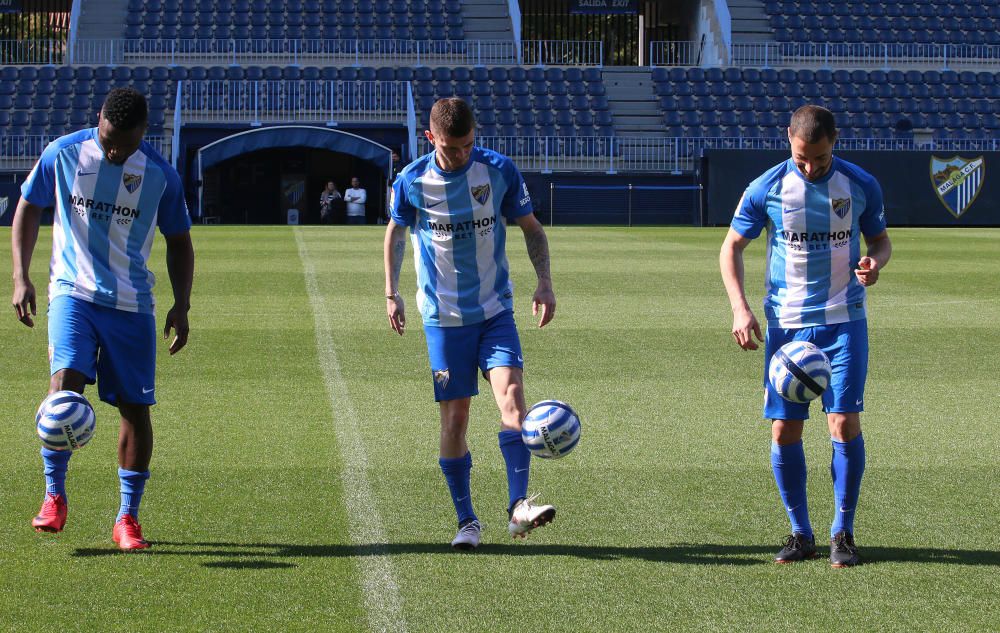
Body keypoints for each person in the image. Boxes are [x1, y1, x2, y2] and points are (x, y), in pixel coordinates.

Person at [11, 87, 195, 551]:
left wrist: (182, 303)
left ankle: (127, 519)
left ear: (142, 134)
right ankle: (54, 497)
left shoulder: (161, 176)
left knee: (135, 408)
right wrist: (21, 276)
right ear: (100, 120)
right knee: (64, 386)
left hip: (132, 304)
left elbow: (179, 240)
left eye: (124, 144)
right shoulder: (64, 153)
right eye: (109, 139)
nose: (114, 151)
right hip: (72, 292)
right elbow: (29, 206)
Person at [719, 105, 892, 568]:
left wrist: (875, 263)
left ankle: (843, 532)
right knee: (784, 427)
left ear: (835, 140)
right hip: (787, 328)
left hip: (843, 320)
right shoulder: (767, 187)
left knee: (844, 423)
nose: (810, 167)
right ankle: (800, 533)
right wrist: (740, 307)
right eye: (801, 158)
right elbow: (731, 247)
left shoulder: (859, 185)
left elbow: (880, 240)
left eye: (818, 158)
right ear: (788, 140)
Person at [383, 97, 557, 550]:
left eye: (467, 146)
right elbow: (396, 232)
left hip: (495, 312)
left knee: (513, 401)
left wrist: (544, 282)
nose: (461, 155)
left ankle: (518, 508)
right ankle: (466, 521)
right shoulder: (412, 180)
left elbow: (531, 228)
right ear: (430, 138)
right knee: (455, 418)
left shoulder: (497, 170)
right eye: (451, 147)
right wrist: (392, 292)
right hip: (443, 320)